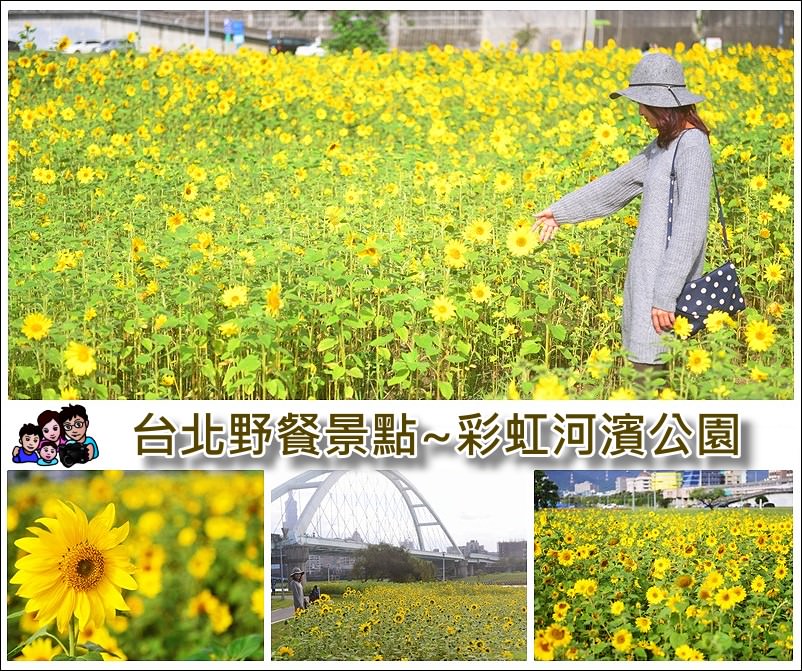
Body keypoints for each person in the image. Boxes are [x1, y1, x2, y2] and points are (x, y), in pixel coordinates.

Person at [533, 52, 712, 378]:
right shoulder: (663, 145)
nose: (640, 112)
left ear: (664, 104)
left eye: (644, 103)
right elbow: (617, 184)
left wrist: (665, 296)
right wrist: (559, 213)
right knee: (644, 368)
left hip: (665, 291)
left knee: (651, 375)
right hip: (649, 283)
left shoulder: (692, 147)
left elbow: (690, 229)